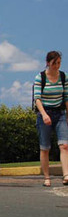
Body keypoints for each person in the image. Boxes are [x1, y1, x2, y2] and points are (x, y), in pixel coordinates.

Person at [33, 51, 68, 187]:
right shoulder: (40, 77)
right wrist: (44, 114)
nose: (57, 66)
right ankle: (47, 177)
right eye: (55, 63)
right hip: (44, 114)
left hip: (60, 114)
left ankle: (66, 175)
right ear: (48, 63)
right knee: (45, 148)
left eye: (59, 63)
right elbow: (37, 99)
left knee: (65, 145)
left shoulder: (63, 77)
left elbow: (66, 98)